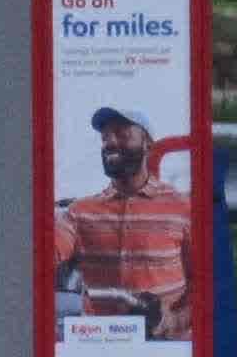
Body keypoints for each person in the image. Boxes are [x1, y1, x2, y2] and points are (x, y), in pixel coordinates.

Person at [47, 100, 195, 341]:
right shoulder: (80, 212)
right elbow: (40, 259)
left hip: (167, 350)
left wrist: (176, 320)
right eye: (105, 138)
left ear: (147, 144)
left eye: (123, 135)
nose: (111, 142)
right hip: (101, 345)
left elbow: (206, 282)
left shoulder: (181, 207)